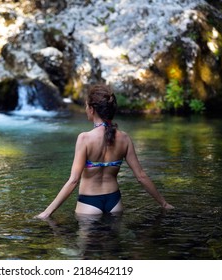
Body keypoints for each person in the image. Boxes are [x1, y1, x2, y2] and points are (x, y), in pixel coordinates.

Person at [36, 84, 174, 219]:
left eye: (86, 106)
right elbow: (141, 176)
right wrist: (164, 203)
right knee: (113, 242)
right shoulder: (124, 138)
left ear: (91, 109)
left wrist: (47, 212)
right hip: (114, 202)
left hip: (89, 204)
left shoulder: (84, 138)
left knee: (86, 243)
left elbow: (73, 181)